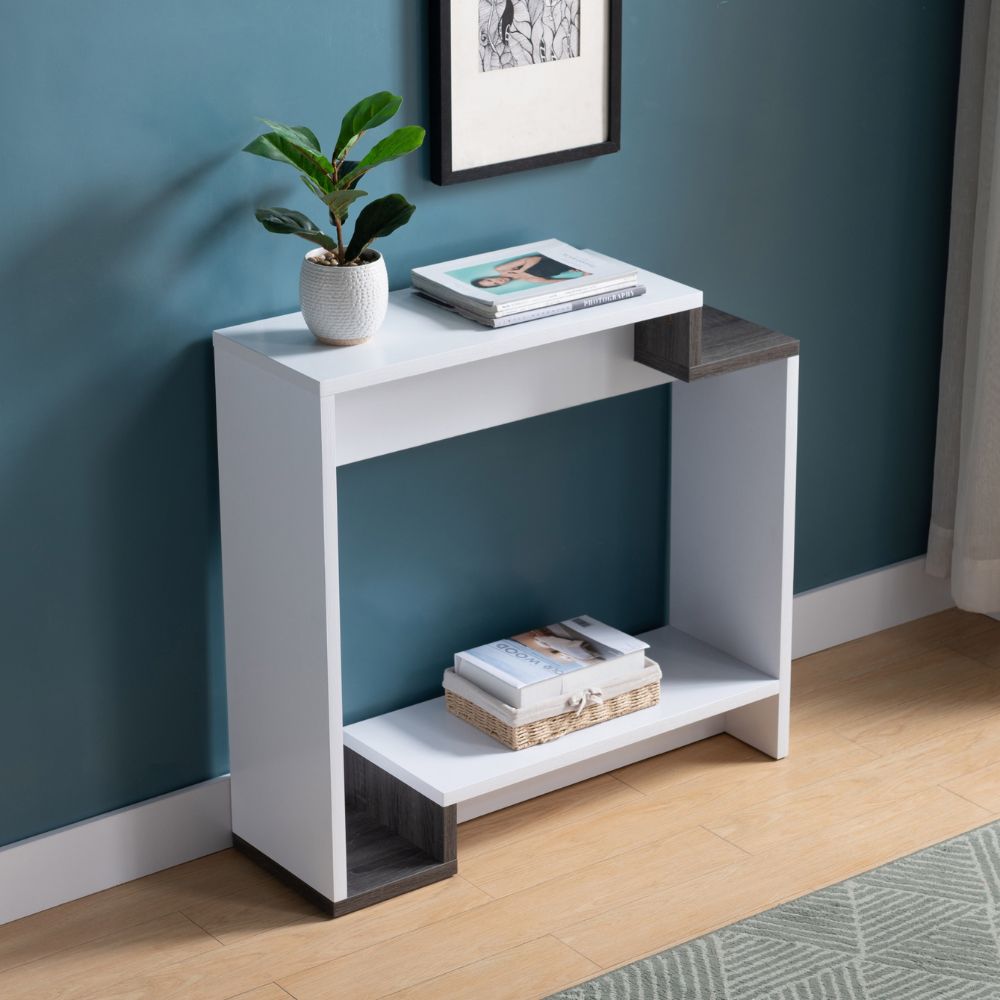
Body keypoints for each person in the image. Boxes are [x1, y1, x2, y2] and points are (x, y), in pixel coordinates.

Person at [471, 253, 590, 288]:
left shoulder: (501, 269)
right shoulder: (530, 280)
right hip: (576, 265)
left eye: (490, 280)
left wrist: (522, 270)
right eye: (496, 284)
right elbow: (556, 281)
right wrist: (581, 276)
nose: (497, 281)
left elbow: (535, 258)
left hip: (565, 255)